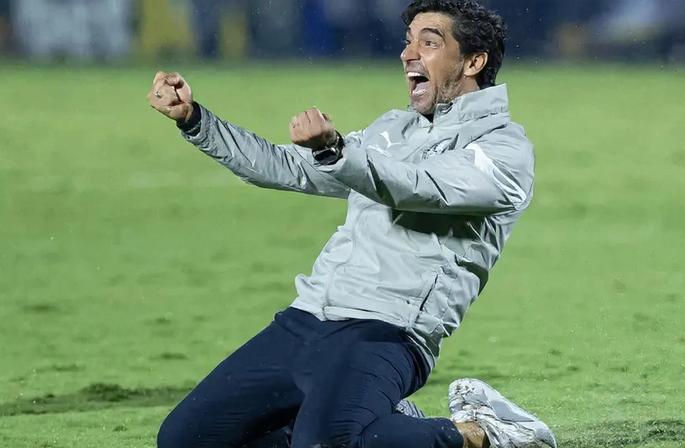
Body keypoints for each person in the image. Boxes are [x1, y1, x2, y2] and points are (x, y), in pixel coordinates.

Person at [148, 1, 556, 447]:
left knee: (323, 444)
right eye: (408, 42)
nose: (407, 54)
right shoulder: (392, 129)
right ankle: (384, 418)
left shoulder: (504, 149)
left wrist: (336, 152)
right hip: (307, 318)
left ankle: (486, 434)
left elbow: (419, 186)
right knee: (185, 439)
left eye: (429, 42)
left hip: (387, 333)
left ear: (473, 61)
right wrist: (195, 121)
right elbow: (289, 166)